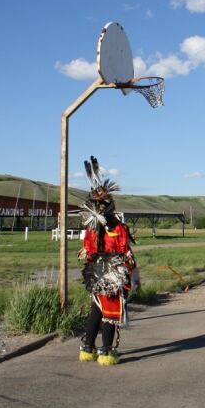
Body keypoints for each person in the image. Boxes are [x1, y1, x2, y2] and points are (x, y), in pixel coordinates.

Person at [77, 156, 137, 365]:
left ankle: (87, 348)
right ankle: (106, 351)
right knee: (110, 312)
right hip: (112, 274)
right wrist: (132, 273)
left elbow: (87, 249)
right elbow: (124, 251)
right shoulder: (118, 228)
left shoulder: (90, 229)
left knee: (96, 310)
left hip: (95, 273)